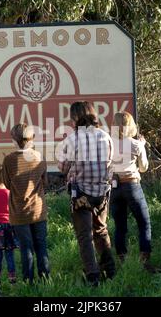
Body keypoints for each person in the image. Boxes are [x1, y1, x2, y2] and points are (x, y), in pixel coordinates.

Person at [57, 101, 116, 287]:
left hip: (81, 194)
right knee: (101, 229)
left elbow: (64, 168)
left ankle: (92, 276)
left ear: (75, 118)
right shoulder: (105, 136)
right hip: (102, 193)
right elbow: (110, 164)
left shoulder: (72, 140)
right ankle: (110, 269)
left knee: (84, 235)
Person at [2, 123, 50, 284]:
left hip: (19, 212)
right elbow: (45, 182)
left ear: (14, 141)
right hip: (38, 210)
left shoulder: (8, 160)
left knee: (25, 248)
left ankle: (28, 281)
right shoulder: (39, 157)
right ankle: (45, 279)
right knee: (41, 246)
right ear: (32, 139)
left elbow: (7, 184)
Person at [110, 112, 157, 273]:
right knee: (144, 223)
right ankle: (144, 262)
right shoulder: (136, 144)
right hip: (132, 185)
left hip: (114, 187)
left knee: (120, 226)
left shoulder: (108, 143)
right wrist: (142, 145)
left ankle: (122, 261)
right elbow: (144, 168)